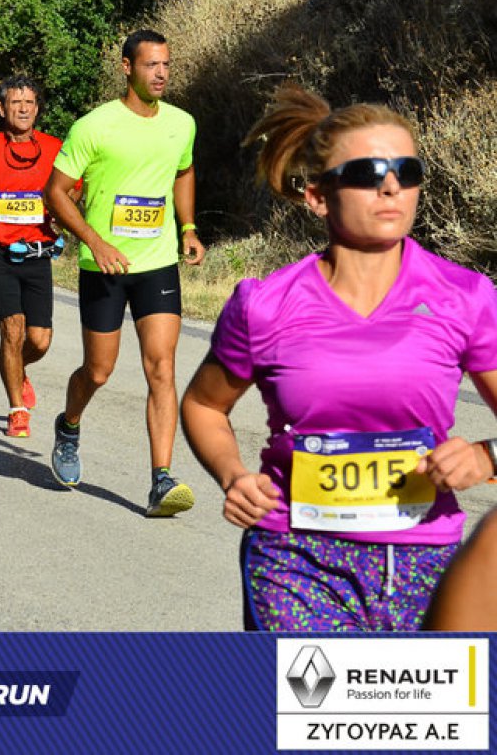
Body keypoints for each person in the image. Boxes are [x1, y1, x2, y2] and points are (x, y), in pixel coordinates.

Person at [180, 83, 497, 631]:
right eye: (367, 173)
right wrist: (233, 476)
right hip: (295, 559)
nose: (391, 186)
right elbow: (204, 406)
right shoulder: (265, 304)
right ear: (317, 197)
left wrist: (487, 457)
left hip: (428, 559)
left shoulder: (463, 297)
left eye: (407, 171)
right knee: (321, 692)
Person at [45, 29, 205, 517]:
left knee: (162, 368)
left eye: (166, 65)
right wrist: (94, 242)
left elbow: (183, 171)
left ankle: (161, 479)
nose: (161, 73)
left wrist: (188, 227)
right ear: (127, 68)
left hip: (157, 263)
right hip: (103, 266)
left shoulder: (181, 123)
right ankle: (69, 425)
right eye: (151, 65)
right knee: (99, 370)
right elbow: (56, 191)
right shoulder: (94, 126)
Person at [0, 75, 66, 438]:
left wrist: (64, 212)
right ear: (1, 108)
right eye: (15, 102)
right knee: (12, 330)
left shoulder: (56, 149)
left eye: (29, 102)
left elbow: (74, 190)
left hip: (39, 252)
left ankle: (14, 366)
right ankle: (17, 410)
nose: (23, 109)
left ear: (38, 109)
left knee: (40, 340)